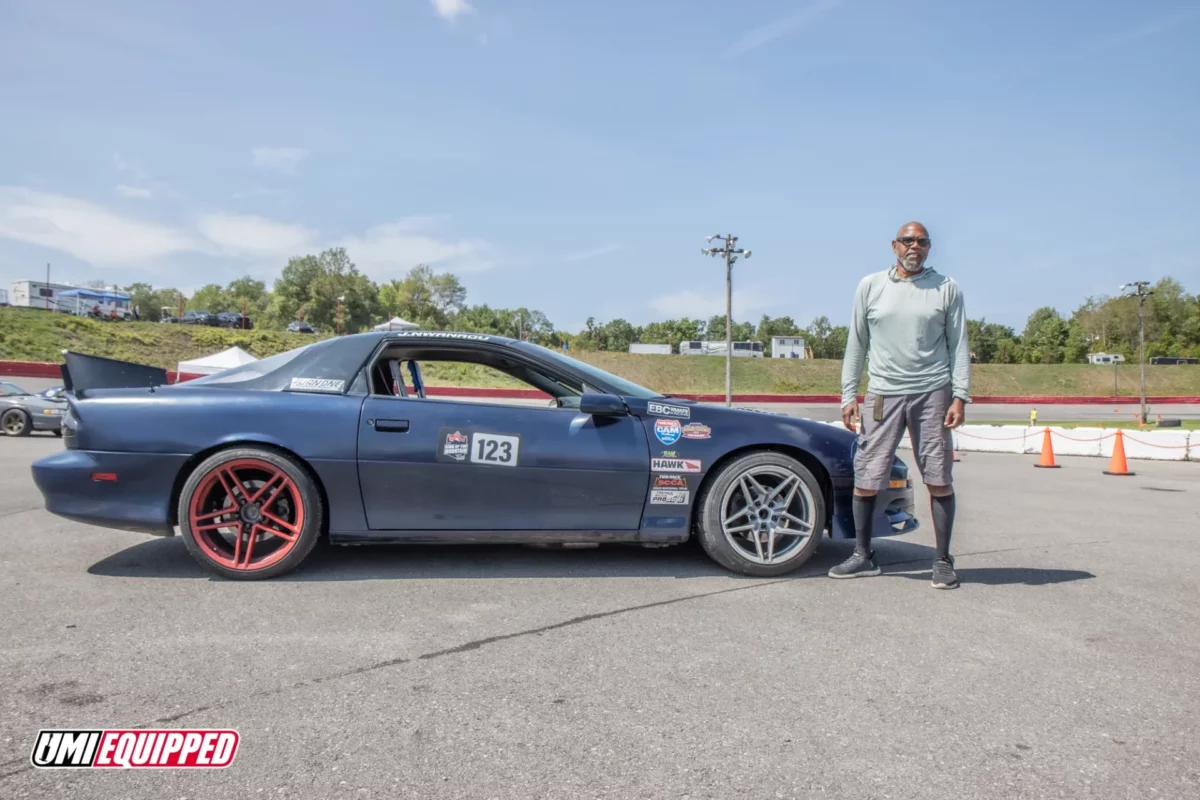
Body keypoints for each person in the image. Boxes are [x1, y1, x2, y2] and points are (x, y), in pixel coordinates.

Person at [831, 221, 970, 589]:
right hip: (881, 394)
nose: (915, 247)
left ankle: (941, 560)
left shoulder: (946, 289)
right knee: (867, 476)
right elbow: (856, 344)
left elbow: (958, 346)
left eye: (922, 242)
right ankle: (863, 555)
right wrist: (849, 395)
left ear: (928, 248)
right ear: (894, 245)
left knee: (938, 477)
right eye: (908, 241)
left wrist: (960, 396)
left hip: (932, 393)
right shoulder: (871, 286)